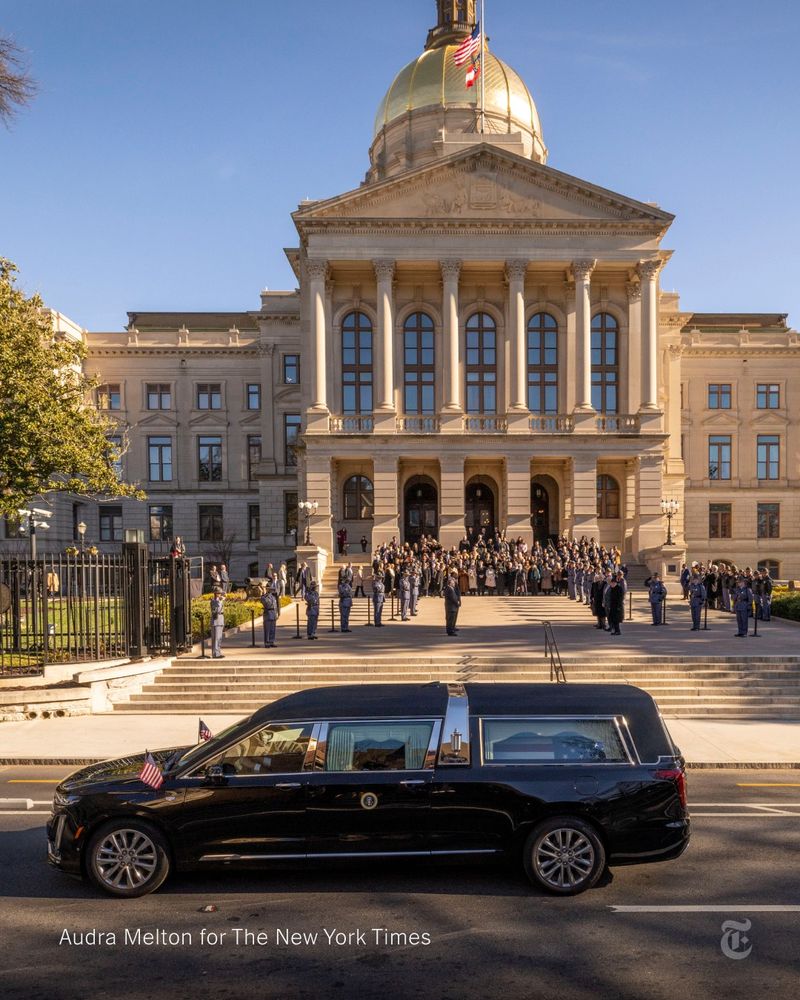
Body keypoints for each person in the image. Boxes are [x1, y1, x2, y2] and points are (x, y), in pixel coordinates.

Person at [260, 581, 280, 647]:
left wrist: (277, 613)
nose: (271, 590)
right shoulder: (264, 597)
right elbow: (266, 604)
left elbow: (275, 606)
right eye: (269, 588)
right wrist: (265, 593)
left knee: (272, 629)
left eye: (271, 589)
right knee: (267, 629)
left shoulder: (273, 597)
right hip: (268, 614)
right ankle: (267, 642)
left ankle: (272, 641)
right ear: (267, 589)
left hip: (273, 614)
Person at [210, 588, 225, 658]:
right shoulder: (213, 601)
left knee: (219, 638)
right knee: (215, 638)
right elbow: (217, 610)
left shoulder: (219, 601)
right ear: (216, 594)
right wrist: (220, 601)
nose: (220, 595)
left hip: (220, 620)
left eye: (220, 593)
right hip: (216, 621)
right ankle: (215, 654)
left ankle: (218, 652)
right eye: (219, 593)